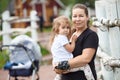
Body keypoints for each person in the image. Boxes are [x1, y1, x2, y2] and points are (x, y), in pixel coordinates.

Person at [54, 3, 99, 80]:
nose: (77, 19)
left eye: (81, 16)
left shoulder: (91, 35)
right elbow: (59, 51)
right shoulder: (69, 34)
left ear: (87, 17)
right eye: (75, 16)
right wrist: (55, 65)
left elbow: (85, 58)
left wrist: (61, 65)